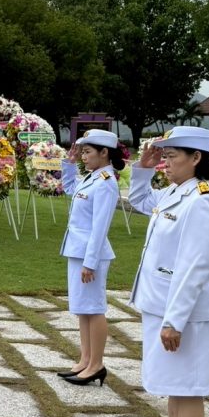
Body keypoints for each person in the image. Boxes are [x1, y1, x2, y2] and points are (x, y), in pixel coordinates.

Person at [128, 126, 209, 417]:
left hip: (187, 313)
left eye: (171, 156)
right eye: (164, 157)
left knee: (188, 387)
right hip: (162, 303)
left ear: (196, 157)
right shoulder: (176, 192)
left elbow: (195, 266)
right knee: (174, 385)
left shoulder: (204, 200)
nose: (165, 163)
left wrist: (175, 321)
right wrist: (143, 168)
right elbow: (140, 201)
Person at [57, 129, 123, 387]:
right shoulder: (92, 178)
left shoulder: (106, 182)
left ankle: (96, 364)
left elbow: (100, 227)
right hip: (77, 250)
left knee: (94, 309)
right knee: (82, 308)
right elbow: (69, 189)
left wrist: (90, 262)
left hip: (89, 255)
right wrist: (69, 164)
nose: (83, 156)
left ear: (104, 152)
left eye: (87, 152)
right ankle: (85, 359)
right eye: (82, 152)